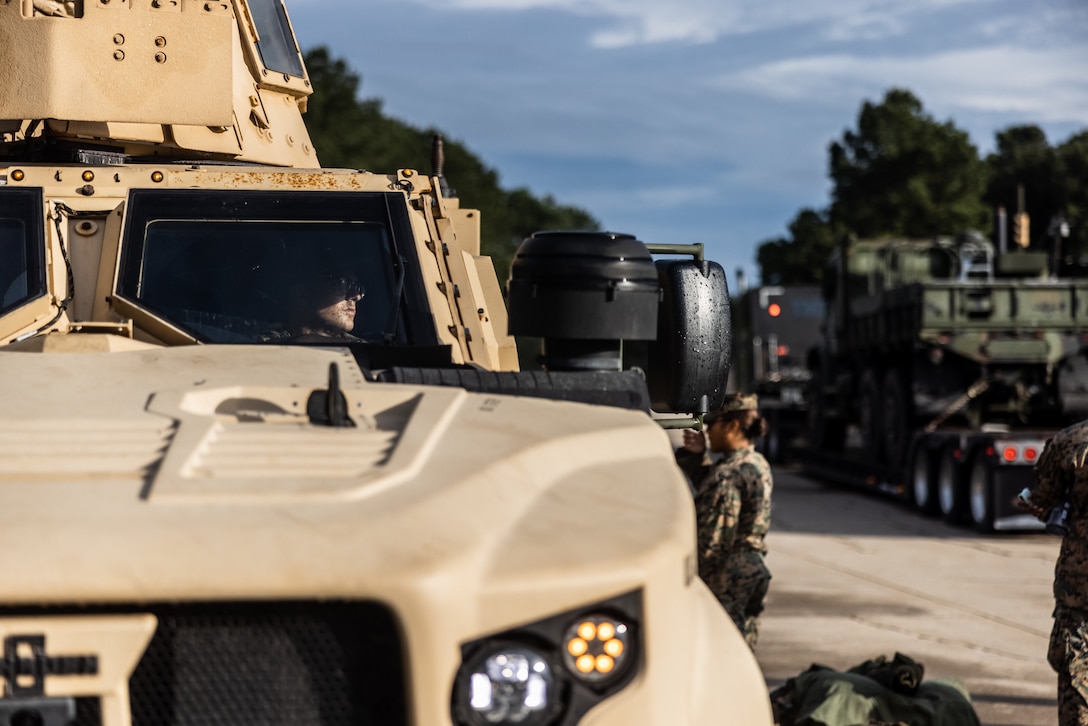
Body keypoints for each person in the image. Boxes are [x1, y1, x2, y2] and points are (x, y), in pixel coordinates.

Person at [675, 393, 773, 648]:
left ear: (732, 425)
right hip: (750, 567)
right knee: (742, 645)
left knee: (722, 645)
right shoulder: (755, 462)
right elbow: (714, 486)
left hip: (728, 574)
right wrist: (698, 457)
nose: (707, 433)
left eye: (712, 425)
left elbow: (715, 539)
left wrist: (694, 578)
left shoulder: (728, 474)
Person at [1018, 420, 1088, 725]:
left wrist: (1030, 502)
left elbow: (1042, 502)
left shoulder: (1071, 441)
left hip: (1080, 592)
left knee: (1078, 681)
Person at [264, 268, 365, 342]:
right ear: (303, 293)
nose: (357, 296)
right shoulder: (259, 340)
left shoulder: (365, 349)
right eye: (342, 283)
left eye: (358, 288)